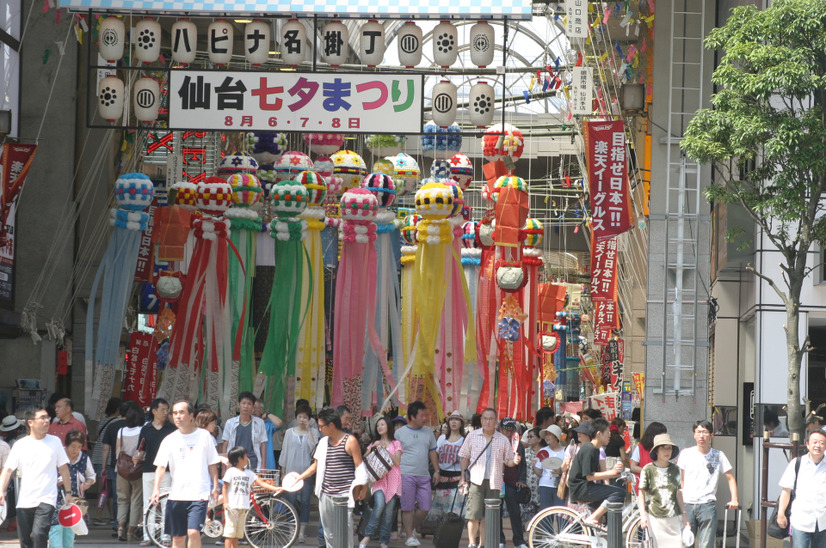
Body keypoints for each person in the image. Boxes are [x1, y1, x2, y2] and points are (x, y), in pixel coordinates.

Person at [150, 400, 221, 548]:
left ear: (191, 416)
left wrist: (215, 486)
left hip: (199, 494)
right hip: (176, 495)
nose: (178, 416)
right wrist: (156, 489)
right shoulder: (169, 440)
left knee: (194, 532)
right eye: (175, 413)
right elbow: (161, 467)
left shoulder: (204, 436)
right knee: (178, 538)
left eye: (181, 412)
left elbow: (212, 464)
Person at [0, 407, 74, 548]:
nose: (47, 421)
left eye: (48, 418)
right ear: (31, 422)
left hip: (47, 499)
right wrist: (1, 492)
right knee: (26, 541)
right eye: (42, 418)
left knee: (39, 534)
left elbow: (64, 469)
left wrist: (69, 492)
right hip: (25, 500)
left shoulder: (55, 442)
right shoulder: (20, 445)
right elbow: (8, 470)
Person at [292, 407, 363, 548]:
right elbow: (315, 466)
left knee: (344, 534)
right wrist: (300, 477)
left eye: (321, 426)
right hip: (325, 494)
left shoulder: (350, 441)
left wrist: (361, 489)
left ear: (331, 425)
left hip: (343, 496)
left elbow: (360, 467)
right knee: (329, 533)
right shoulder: (323, 442)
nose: (319, 429)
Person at [458, 408, 520, 548]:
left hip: (494, 482)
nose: (487, 421)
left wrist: (514, 461)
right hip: (475, 481)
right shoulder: (472, 436)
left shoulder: (503, 439)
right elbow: (464, 457)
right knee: (473, 514)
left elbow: (508, 461)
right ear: (481, 420)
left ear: (496, 421)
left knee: (488, 516)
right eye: (485, 418)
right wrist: (463, 477)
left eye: (491, 418)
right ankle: (472, 543)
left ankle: (483, 544)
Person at [677, 420, 739, 548]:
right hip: (688, 504)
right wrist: (681, 500)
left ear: (711, 435)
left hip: (707, 504)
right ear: (694, 434)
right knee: (686, 543)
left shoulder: (718, 455)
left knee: (707, 544)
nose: (701, 436)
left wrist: (734, 499)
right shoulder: (686, 453)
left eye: (705, 432)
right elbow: (681, 479)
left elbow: (730, 478)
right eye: (698, 432)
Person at [394, 400, 440, 547]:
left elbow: (432, 451)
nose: (424, 418)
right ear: (412, 417)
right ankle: (409, 536)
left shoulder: (428, 432)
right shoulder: (399, 433)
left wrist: (437, 470)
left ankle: (408, 528)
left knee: (425, 507)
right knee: (407, 507)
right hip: (405, 474)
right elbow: (395, 454)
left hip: (424, 475)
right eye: (421, 415)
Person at [567, 419, 625, 526]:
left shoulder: (595, 449)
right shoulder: (589, 449)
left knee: (608, 505)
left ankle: (599, 532)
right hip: (582, 488)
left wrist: (615, 473)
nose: (609, 436)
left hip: (585, 486)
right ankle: (593, 518)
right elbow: (589, 476)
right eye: (607, 433)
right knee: (619, 492)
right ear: (599, 434)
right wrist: (612, 472)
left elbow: (595, 474)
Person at [776, 429, 826, 548]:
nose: (817, 445)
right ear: (808, 445)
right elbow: (786, 491)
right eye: (814, 442)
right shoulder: (797, 463)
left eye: (822, 443)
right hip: (801, 519)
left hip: (823, 521)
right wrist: (781, 513)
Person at [221, 446, 279, 548]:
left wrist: (276, 489)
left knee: (237, 535)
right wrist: (225, 502)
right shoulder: (231, 472)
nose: (247, 458)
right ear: (240, 459)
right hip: (232, 507)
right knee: (229, 534)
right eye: (246, 456)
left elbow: (261, 483)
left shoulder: (249, 473)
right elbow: (225, 487)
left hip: (243, 507)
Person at [637, 434, 687, 548]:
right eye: (662, 448)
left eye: (669, 448)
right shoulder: (648, 469)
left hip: (673, 517)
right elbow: (641, 494)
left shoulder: (676, 469)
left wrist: (684, 515)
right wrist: (643, 515)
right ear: (656, 451)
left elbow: (679, 493)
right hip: (654, 517)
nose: (667, 451)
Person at [359, 416, 402, 548]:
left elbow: (397, 462)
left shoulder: (396, 443)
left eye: (382, 424)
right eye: (378, 425)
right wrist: (374, 448)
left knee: (389, 513)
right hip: (378, 480)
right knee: (379, 506)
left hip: (394, 480)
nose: (380, 427)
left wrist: (385, 450)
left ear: (388, 426)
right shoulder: (375, 442)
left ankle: (384, 541)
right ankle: (367, 536)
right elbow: (363, 459)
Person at [48, 430, 95, 548]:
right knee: (56, 528)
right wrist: (56, 482)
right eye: (73, 446)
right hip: (56, 499)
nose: (76, 450)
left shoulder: (84, 458)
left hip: (74, 501)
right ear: (66, 445)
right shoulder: (58, 455)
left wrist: (87, 484)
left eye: (79, 447)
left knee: (70, 530)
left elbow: (92, 476)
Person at [138, 398, 175, 546]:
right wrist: (136, 457)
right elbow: (141, 449)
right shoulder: (145, 429)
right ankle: (148, 537)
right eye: (163, 410)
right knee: (148, 503)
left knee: (166, 504)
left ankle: (165, 537)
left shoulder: (172, 429)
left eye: (167, 410)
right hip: (148, 469)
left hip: (167, 470)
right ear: (154, 411)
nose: (166, 413)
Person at [279, 403, 318, 543]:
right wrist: (283, 472)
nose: (302, 419)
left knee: (306, 502)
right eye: (300, 416)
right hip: (291, 472)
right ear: (296, 417)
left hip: (306, 473)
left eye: (305, 417)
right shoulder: (289, 432)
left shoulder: (313, 432)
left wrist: (308, 431)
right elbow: (284, 452)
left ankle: (302, 532)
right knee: (291, 501)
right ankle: (291, 531)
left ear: (309, 419)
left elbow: (313, 450)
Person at [115, 401, 145, 541]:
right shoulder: (143, 430)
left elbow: (117, 453)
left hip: (121, 470)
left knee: (122, 499)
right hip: (137, 470)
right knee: (136, 499)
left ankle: (120, 526)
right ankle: (131, 530)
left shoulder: (121, 431)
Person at [219, 392, 268, 471]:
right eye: (243, 403)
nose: (246, 406)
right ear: (238, 405)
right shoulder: (230, 423)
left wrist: (263, 466)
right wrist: (223, 469)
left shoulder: (259, 423)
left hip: (253, 463)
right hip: (234, 463)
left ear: (253, 407)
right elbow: (225, 445)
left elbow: (263, 444)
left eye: (249, 404)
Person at [499, 417, 528, 548]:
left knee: (515, 512)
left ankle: (519, 540)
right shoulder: (495, 442)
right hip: (498, 482)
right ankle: (499, 539)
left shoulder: (518, 444)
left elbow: (523, 465)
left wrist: (521, 480)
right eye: (506, 430)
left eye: (511, 430)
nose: (509, 433)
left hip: (512, 483)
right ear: (501, 429)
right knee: (496, 511)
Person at [100, 401, 128, 530]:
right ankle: (128, 524)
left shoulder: (112, 426)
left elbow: (106, 449)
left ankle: (118, 523)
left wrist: (103, 467)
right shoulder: (135, 425)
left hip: (114, 465)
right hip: (132, 467)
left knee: (118, 497)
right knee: (132, 497)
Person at [432, 411, 466, 516]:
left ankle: (452, 531)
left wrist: (463, 477)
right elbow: (435, 455)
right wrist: (436, 470)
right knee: (440, 508)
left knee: (454, 508)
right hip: (442, 475)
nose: (454, 422)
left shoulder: (464, 440)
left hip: (456, 476)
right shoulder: (442, 438)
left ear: (461, 423)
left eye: (457, 420)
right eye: (451, 420)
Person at [536, 424, 566, 509]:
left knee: (562, 513)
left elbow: (570, 468)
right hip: (545, 485)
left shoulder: (565, 451)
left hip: (560, 485)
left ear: (556, 437)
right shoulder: (543, 451)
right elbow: (538, 471)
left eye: (550, 434)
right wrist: (534, 465)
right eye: (546, 434)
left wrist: (560, 471)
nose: (547, 437)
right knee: (546, 514)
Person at [91, 397, 121, 479]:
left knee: (103, 487)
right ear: (118, 408)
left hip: (97, 457)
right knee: (109, 487)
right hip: (108, 459)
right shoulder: (117, 422)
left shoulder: (102, 421)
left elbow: (97, 437)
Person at [521, 427, 545, 525]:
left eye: (531, 437)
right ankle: (525, 537)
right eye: (528, 437)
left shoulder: (545, 453)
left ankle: (537, 538)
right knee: (524, 515)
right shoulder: (525, 452)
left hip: (540, 488)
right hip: (527, 489)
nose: (529, 439)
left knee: (540, 515)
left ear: (539, 439)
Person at [253, 400, 283, 469]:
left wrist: (268, 414)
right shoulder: (246, 423)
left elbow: (279, 423)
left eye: (256, 408)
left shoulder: (267, 423)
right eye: (252, 407)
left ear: (261, 410)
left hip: (267, 463)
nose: (253, 410)